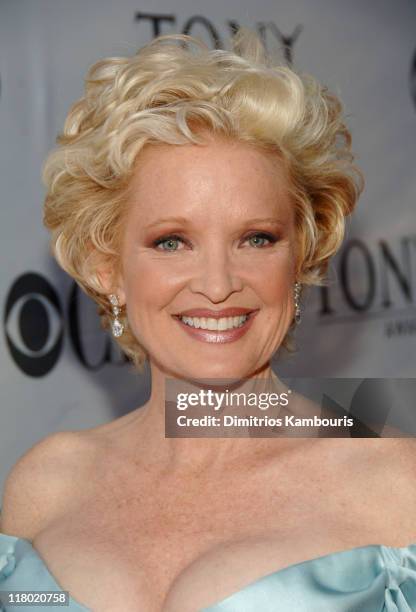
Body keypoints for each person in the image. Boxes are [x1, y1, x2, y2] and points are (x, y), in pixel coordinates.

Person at [1, 27, 415, 612]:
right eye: (172, 242)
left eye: (256, 238)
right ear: (106, 268)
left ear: (301, 256)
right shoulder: (45, 484)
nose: (219, 285)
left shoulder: (395, 487)